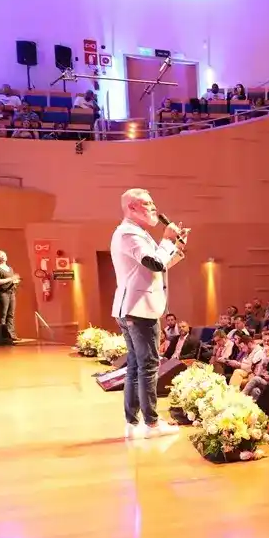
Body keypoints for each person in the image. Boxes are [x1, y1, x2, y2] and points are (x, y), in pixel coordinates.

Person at [109, 188, 188, 439]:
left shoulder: (135, 232)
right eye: (146, 204)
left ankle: (133, 421)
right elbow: (153, 262)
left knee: (136, 364)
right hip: (139, 308)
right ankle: (152, 423)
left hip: (133, 306)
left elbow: (156, 267)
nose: (154, 207)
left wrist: (174, 247)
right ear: (131, 208)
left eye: (153, 202)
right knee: (148, 365)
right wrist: (166, 239)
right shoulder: (129, 233)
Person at [0, 250, 20, 344]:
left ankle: (11, 335)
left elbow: (11, 280)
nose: (3, 256)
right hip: (2, 293)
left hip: (11, 292)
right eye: (1, 255)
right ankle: (2, 336)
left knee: (10, 314)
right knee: (3, 314)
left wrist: (15, 281)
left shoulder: (10, 268)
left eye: (4, 254)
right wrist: (10, 279)